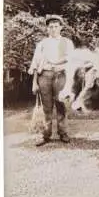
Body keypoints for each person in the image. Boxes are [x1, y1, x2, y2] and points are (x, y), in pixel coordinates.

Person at [28, 14, 75, 146]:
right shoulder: (42, 44)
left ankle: (63, 132)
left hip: (60, 75)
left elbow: (71, 59)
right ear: (47, 29)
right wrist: (34, 83)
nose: (53, 29)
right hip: (45, 76)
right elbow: (36, 64)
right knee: (46, 107)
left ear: (60, 28)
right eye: (50, 27)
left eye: (56, 26)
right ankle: (45, 134)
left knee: (61, 104)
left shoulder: (67, 43)